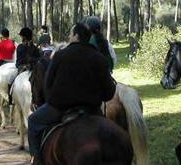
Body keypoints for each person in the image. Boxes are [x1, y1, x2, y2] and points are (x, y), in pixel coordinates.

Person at [27, 23, 116, 165]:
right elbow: (109, 93)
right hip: (92, 110)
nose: (69, 37)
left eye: (70, 34)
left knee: (33, 121)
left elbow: (48, 85)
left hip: (61, 109)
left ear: (76, 36)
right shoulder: (99, 58)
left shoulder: (60, 55)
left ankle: (37, 160)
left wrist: (53, 100)